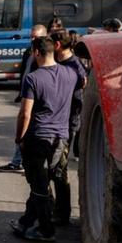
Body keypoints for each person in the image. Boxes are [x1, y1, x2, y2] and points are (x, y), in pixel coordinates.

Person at [10, 37, 81, 242]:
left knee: (38, 185)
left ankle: (45, 230)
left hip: (39, 137)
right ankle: (25, 222)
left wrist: (19, 138)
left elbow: (25, 113)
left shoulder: (32, 79)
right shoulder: (70, 73)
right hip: (62, 137)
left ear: (36, 53)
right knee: (46, 180)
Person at [49, 30, 87, 225]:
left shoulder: (73, 66)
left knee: (59, 167)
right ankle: (56, 209)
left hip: (66, 123)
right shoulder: (62, 63)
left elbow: (80, 91)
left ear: (57, 46)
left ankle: (62, 213)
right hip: (59, 121)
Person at [0, 24, 47, 171]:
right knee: (23, 129)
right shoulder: (29, 52)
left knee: (28, 130)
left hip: (37, 101)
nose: (32, 40)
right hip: (26, 96)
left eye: (36, 37)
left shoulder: (45, 56)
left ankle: (27, 163)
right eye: (31, 37)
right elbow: (25, 73)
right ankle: (18, 161)